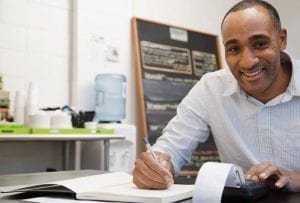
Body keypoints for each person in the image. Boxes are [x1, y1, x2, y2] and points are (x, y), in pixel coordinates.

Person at [132, 0, 300, 192]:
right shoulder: (211, 87)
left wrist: (295, 179)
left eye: (260, 44)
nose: (247, 62)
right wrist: (157, 165)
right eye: (234, 49)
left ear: (282, 39)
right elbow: (172, 147)